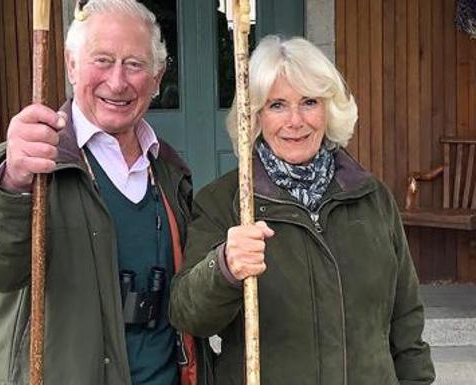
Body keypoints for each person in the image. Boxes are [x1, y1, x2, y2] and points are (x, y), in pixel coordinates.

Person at [0, 1, 205, 384]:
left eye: (135, 64)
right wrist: (14, 185)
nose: (117, 82)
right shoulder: (25, 167)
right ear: (71, 65)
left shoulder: (168, 171)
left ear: (157, 78)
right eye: (102, 60)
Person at [169, 35, 435, 385]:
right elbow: (189, 314)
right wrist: (224, 269)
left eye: (309, 102)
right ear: (256, 116)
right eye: (277, 105)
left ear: (329, 109)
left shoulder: (371, 198)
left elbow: (406, 321)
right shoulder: (226, 203)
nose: (295, 121)